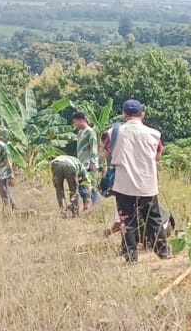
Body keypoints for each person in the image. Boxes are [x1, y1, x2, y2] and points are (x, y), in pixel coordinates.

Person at [107, 99, 170, 263]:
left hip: (123, 184)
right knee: (154, 219)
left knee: (127, 220)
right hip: (147, 184)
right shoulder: (154, 134)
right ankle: (163, 252)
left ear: (124, 114)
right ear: (143, 114)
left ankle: (131, 256)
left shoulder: (112, 133)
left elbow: (107, 154)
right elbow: (158, 156)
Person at [72, 111, 100, 210]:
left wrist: (92, 162)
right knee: (82, 186)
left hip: (89, 164)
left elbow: (94, 148)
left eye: (75, 122)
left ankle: (94, 206)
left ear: (81, 120)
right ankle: (86, 204)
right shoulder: (80, 133)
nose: (75, 124)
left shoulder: (90, 132)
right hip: (81, 164)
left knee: (91, 185)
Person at [48, 153, 84, 217]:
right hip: (69, 166)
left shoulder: (59, 158)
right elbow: (84, 178)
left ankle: (63, 212)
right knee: (74, 191)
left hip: (57, 164)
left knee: (59, 190)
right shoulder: (81, 166)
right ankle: (75, 213)